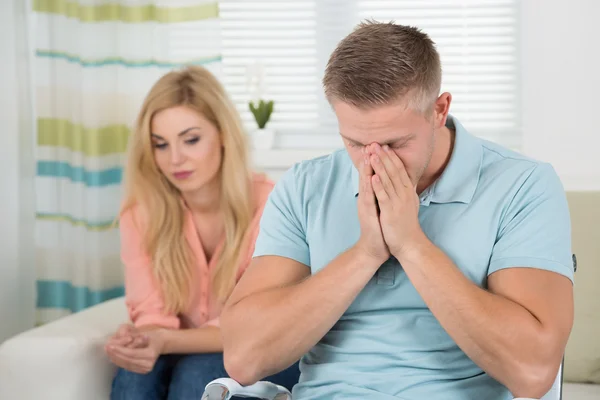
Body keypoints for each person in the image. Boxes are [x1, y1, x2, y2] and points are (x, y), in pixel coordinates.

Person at [220, 21, 575, 400]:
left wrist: (411, 245)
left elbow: (533, 372)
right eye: (355, 143)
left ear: (439, 110)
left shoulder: (523, 185)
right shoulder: (306, 186)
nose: (373, 162)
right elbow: (244, 359)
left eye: (395, 143)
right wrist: (366, 253)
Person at [105, 66, 300, 400]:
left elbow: (256, 326)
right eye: (160, 145)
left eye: (191, 139)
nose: (175, 159)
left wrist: (163, 341)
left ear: (223, 135)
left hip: (262, 351)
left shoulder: (273, 205)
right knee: (134, 376)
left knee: (196, 377)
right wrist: (138, 342)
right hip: (182, 348)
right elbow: (152, 316)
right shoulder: (140, 214)